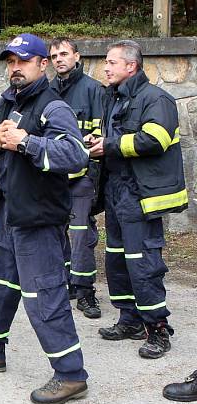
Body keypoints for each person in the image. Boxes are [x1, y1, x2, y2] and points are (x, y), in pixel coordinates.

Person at [0, 34, 91, 404]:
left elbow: (75, 155)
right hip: (9, 215)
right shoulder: (7, 101)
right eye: (10, 61)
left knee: (43, 296)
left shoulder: (52, 106)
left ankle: (71, 374)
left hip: (39, 220)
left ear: (42, 65)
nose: (15, 67)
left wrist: (28, 142)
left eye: (23, 61)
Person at [86, 40, 187, 359]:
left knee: (142, 262)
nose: (106, 67)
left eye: (112, 62)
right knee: (117, 260)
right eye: (106, 62)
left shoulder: (157, 99)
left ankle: (157, 328)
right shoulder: (114, 98)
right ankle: (129, 319)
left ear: (131, 66)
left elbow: (154, 140)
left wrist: (110, 145)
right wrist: (100, 142)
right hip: (116, 192)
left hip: (140, 195)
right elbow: (116, 139)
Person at [48, 37, 104, 319]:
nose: (59, 59)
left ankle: (85, 291)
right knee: (56, 232)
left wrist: (92, 176)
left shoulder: (94, 90)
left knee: (81, 235)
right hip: (54, 176)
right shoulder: (46, 91)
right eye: (55, 55)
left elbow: (100, 138)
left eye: (64, 54)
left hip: (82, 176)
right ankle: (65, 284)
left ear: (77, 57)